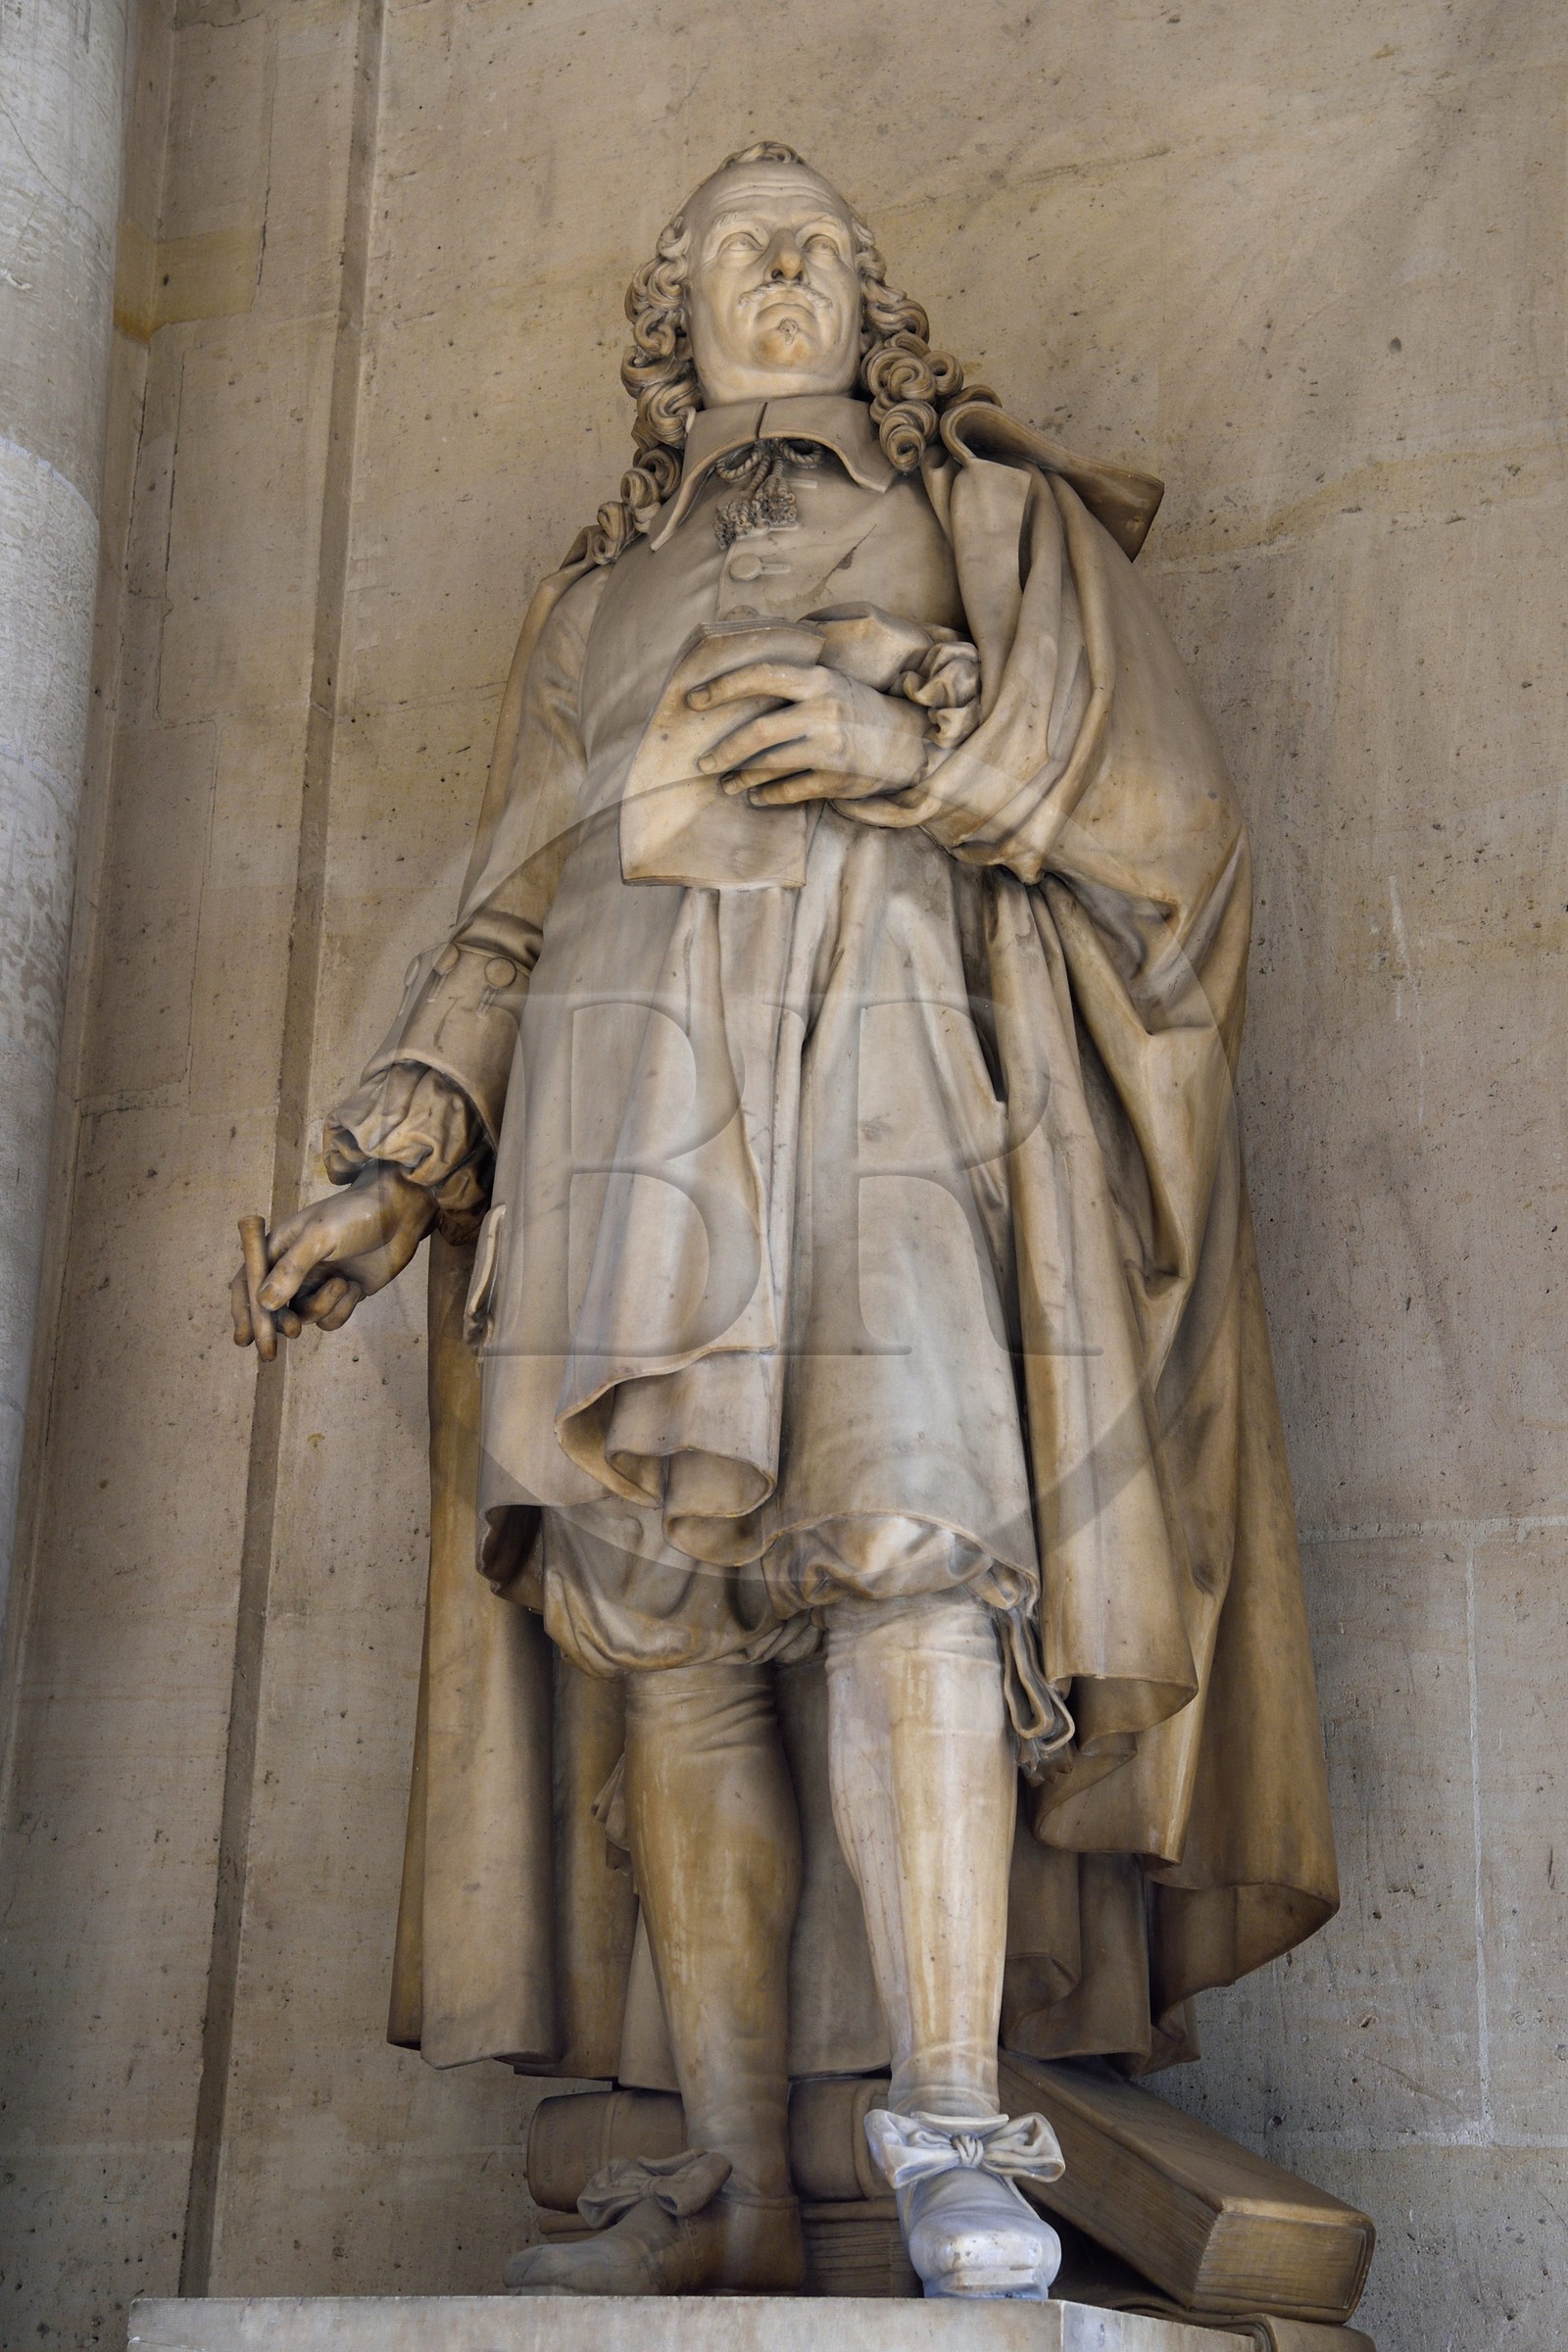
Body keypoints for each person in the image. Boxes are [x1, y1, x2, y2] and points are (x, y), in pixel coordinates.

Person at [230, 141, 1337, 2300]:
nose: (776, 274)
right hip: (617, 1110)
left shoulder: (973, 515)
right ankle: (721, 2170)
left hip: (894, 1080)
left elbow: (1164, 816)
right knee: (665, 1621)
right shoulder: (589, 601)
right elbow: (504, 908)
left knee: (918, 1547)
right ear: (668, 319)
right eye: (734, 250)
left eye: (813, 243)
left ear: (866, 296)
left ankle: (943, 2126)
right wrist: (388, 1176)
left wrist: (899, 749)